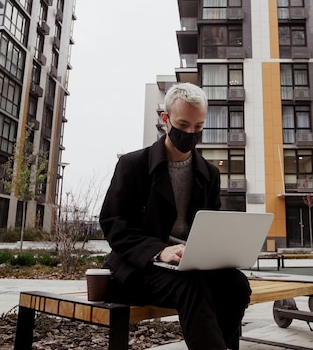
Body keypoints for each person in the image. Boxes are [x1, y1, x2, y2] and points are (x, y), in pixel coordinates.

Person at [99, 82, 251, 350]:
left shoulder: (209, 173)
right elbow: (114, 224)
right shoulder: (133, 165)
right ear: (165, 119)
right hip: (139, 268)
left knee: (236, 285)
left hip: (189, 268)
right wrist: (160, 251)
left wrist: (220, 251)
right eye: (183, 125)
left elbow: (211, 224)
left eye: (199, 127)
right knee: (192, 286)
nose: (191, 133)